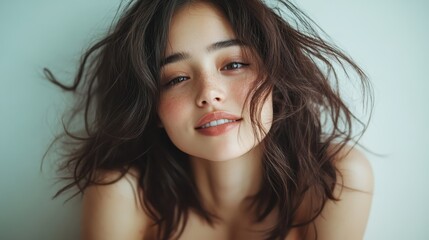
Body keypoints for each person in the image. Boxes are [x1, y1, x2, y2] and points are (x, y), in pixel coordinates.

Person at [45, 0, 374, 239]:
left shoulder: (337, 180)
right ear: (152, 108)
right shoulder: (121, 194)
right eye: (175, 79)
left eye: (233, 64)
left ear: (276, 77)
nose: (209, 93)